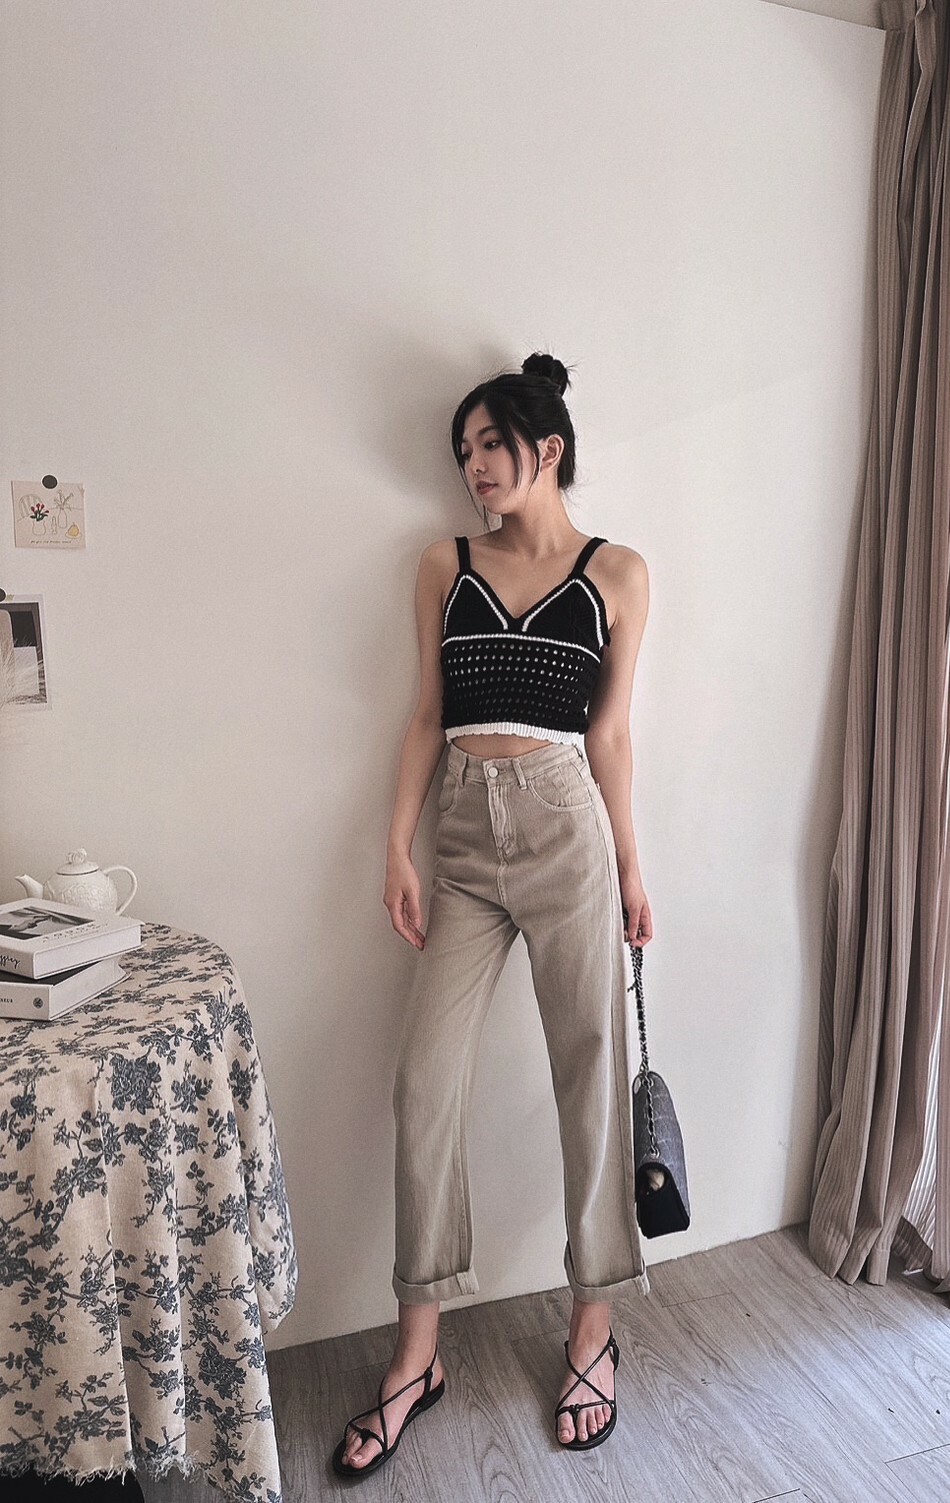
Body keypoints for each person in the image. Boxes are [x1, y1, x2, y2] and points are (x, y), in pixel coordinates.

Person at [331, 352, 653, 1480]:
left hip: (567, 831)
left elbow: (610, 734)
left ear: (545, 448)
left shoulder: (617, 573)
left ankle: (592, 1328)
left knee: (590, 1077)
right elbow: (426, 713)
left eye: (488, 446)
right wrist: (396, 846)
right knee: (424, 1083)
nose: (471, 468)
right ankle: (417, 1353)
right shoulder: (444, 564)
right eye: (461, 452)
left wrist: (631, 866)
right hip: (463, 838)